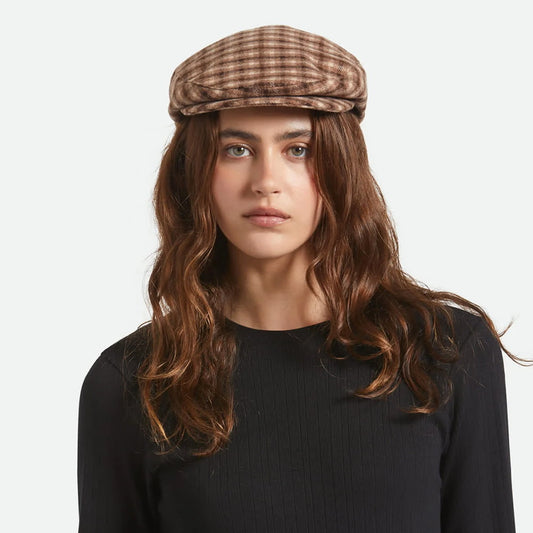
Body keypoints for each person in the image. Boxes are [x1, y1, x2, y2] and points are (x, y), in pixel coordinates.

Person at [77, 25, 523, 532]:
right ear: (193, 170)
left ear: (341, 166)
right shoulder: (135, 381)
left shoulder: (445, 351)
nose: (266, 182)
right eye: (236, 149)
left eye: (298, 149)